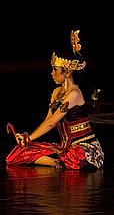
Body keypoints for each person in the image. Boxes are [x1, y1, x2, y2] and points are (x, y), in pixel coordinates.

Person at [6, 30, 104, 170]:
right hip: (64, 146)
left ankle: (60, 160)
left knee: (71, 155)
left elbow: (52, 123)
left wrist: (30, 138)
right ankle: (54, 163)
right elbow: (48, 120)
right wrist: (27, 140)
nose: (52, 73)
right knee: (18, 152)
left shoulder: (74, 94)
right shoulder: (57, 92)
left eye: (55, 69)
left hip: (84, 146)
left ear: (67, 72)